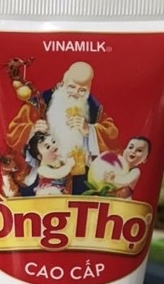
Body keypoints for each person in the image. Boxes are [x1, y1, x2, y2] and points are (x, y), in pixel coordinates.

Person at [6, 61, 119, 194]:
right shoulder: (41, 101)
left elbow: (111, 134)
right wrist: (32, 129)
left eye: (82, 90)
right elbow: (13, 132)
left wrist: (90, 130)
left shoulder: (93, 107)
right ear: (62, 83)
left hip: (80, 177)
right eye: (71, 87)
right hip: (44, 175)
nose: (75, 93)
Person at [26, 131, 72, 196]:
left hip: (63, 193)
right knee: (52, 191)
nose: (53, 146)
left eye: (53, 142)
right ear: (39, 156)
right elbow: (58, 174)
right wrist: (69, 165)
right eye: (47, 147)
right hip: (47, 194)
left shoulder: (60, 161)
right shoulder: (42, 169)